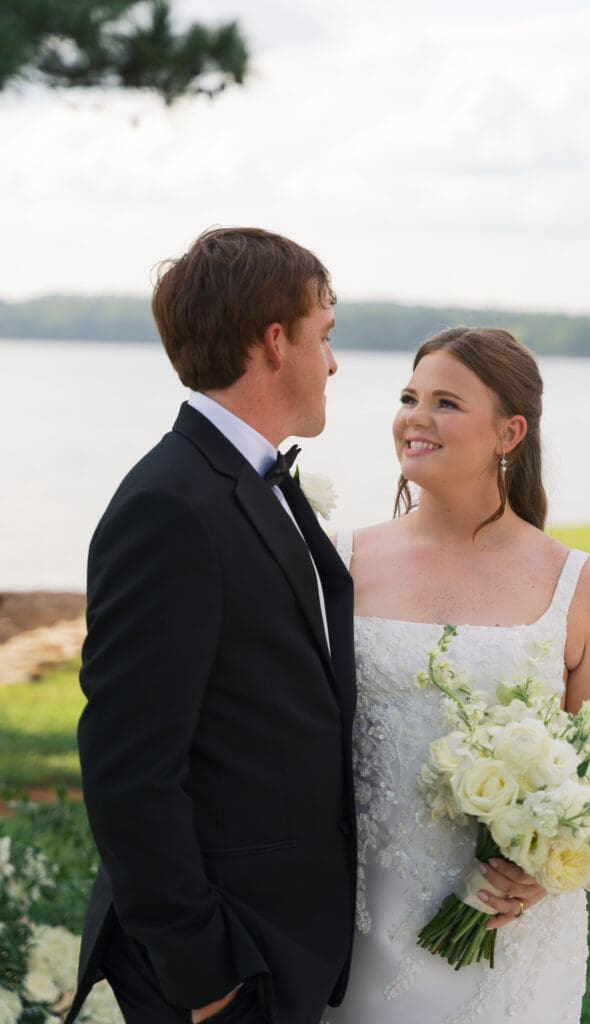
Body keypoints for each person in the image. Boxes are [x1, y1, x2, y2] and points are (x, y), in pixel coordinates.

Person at [65, 227, 357, 1024]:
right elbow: (128, 767)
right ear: (276, 342)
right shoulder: (170, 505)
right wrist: (205, 976)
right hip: (223, 963)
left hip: (280, 943)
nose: (333, 363)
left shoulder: (245, 479)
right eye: (325, 336)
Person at [323, 326, 590, 1024]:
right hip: (352, 925)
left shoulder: (578, 587)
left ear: (510, 433)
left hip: (507, 941)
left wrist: (548, 869)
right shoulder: (337, 562)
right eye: (409, 397)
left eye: (445, 403)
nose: (415, 418)